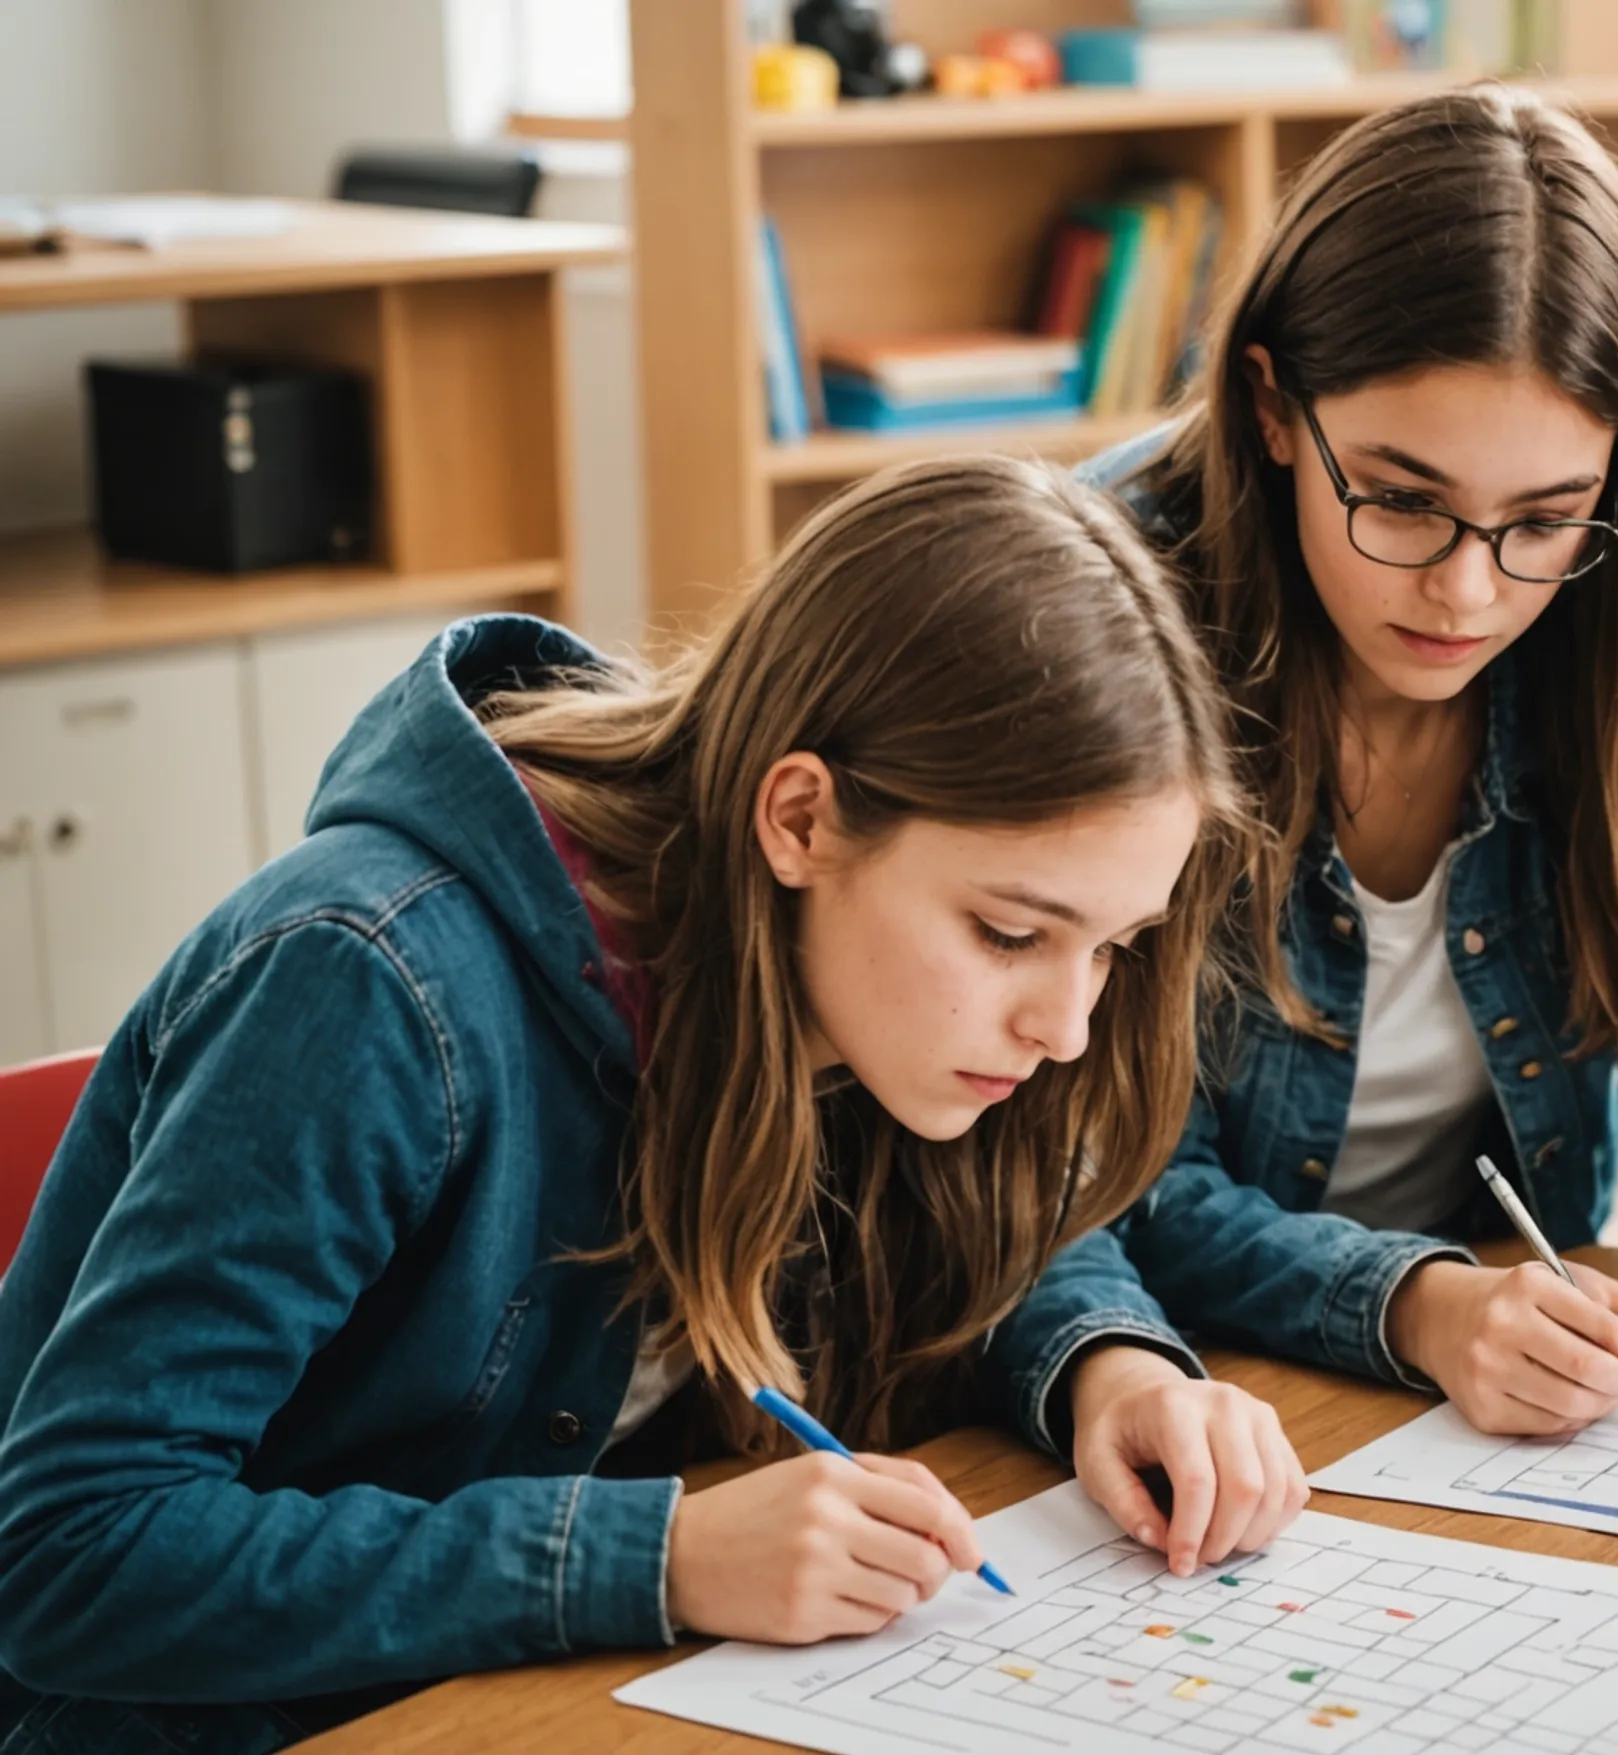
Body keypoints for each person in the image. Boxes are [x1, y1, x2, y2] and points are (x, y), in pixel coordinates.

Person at [0, 458, 1304, 1753]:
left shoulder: (844, 978)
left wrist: (1108, 1364)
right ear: (800, 817)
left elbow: (1000, 1222)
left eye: (1116, 944)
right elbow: (70, 1547)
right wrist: (654, 1555)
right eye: (1013, 930)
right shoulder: (367, 979)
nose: (1067, 1026)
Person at [1072, 85, 1618, 1436]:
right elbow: (1089, 1178)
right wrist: (1421, 1303)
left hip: (1473, 1393)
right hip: (1167, 1386)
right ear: (1274, 404)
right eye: (1403, 500)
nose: (1469, 593)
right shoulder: (1100, 613)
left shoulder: (1608, 624)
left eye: (1544, 518)